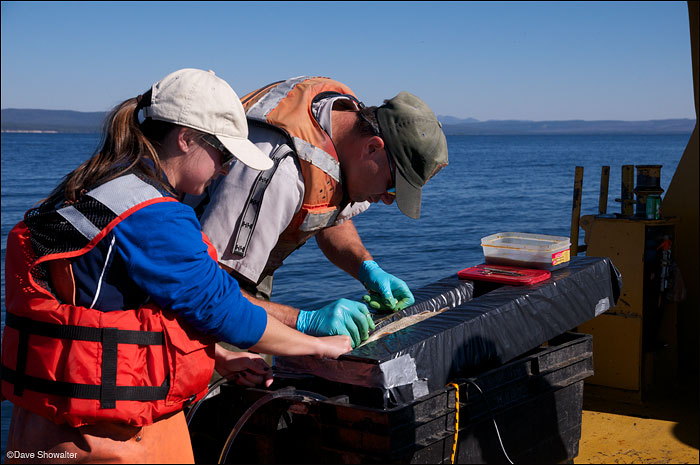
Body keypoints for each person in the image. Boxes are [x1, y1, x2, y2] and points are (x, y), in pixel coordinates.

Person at [0, 68, 352, 463]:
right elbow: (225, 312)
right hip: (111, 441)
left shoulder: (89, 189)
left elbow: (106, 304)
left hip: (39, 430)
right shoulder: (155, 217)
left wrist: (221, 357)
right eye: (222, 154)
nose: (225, 169)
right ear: (185, 139)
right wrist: (317, 346)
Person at [186, 76, 448, 348]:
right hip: (195, 285)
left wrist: (365, 267)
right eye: (392, 187)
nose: (387, 200)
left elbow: (325, 210)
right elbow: (208, 292)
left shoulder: (340, 125)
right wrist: (304, 321)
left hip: (236, 279)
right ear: (373, 147)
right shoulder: (275, 173)